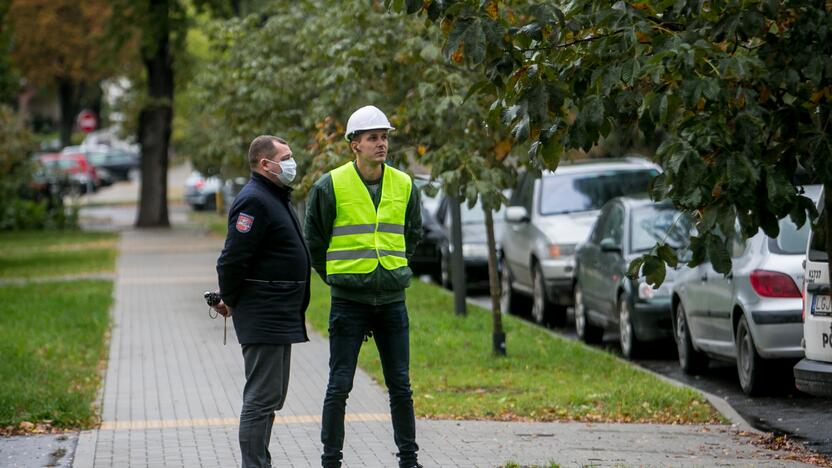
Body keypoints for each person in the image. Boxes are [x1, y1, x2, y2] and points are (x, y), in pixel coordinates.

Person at [305, 105, 423, 468]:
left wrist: (391, 269)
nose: (381, 144)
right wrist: (338, 277)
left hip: (390, 299)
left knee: (400, 385)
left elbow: (412, 235)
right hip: (349, 302)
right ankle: (331, 460)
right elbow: (315, 241)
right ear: (354, 144)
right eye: (373, 138)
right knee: (339, 385)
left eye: (384, 137)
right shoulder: (330, 185)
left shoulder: (404, 184)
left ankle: (408, 459)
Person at [213, 135, 310, 468]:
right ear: (265, 164)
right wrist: (232, 300)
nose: (291, 162)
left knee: (271, 398)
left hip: (278, 312)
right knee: (260, 399)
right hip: (264, 312)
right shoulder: (254, 200)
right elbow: (231, 260)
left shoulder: (273, 195)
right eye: (285, 157)